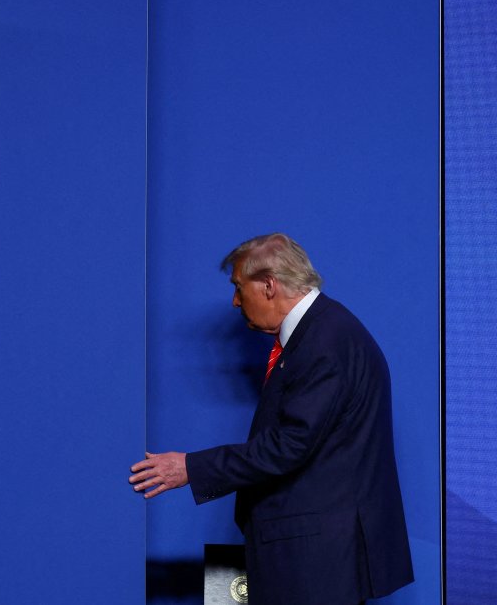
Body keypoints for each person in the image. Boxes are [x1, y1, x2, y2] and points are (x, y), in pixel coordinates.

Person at [129, 233, 413, 605]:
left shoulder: (325, 342)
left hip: (314, 563)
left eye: (237, 287)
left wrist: (190, 468)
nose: (234, 301)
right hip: (308, 556)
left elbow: (290, 445)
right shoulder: (323, 333)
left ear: (268, 285)